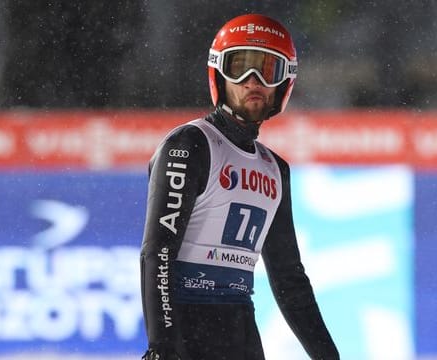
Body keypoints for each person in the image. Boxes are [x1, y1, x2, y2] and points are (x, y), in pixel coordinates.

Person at [140, 13, 339, 360]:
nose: (253, 81)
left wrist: (328, 355)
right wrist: (162, 346)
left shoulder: (276, 169)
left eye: (268, 70)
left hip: (242, 333)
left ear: (284, 83)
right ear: (218, 72)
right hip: (186, 333)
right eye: (240, 66)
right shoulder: (190, 145)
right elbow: (158, 252)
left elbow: (290, 280)